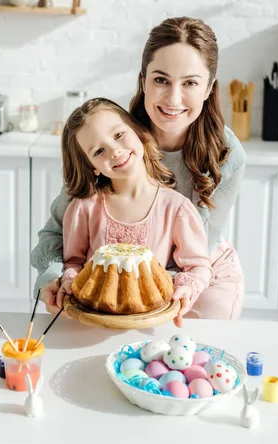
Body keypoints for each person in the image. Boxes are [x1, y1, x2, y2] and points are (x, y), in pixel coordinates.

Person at [31, 16, 246, 321]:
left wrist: (145, 294)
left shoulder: (228, 153)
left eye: (190, 83)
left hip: (200, 277)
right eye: (161, 79)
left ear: (209, 87)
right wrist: (54, 278)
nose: (173, 98)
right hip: (121, 282)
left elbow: (200, 247)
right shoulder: (113, 136)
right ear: (143, 80)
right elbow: (56, 233)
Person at [57, 97, 211, 325]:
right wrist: (69, 280)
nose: (115, 151)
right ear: (92, 166)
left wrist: (187, 288)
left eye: (119, 135)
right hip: (93, 323)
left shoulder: (176, 208)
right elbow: (73, 262)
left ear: (138, 132)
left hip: (151, 325)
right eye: (99, 151)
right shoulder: (84, 209)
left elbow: (198, 265)